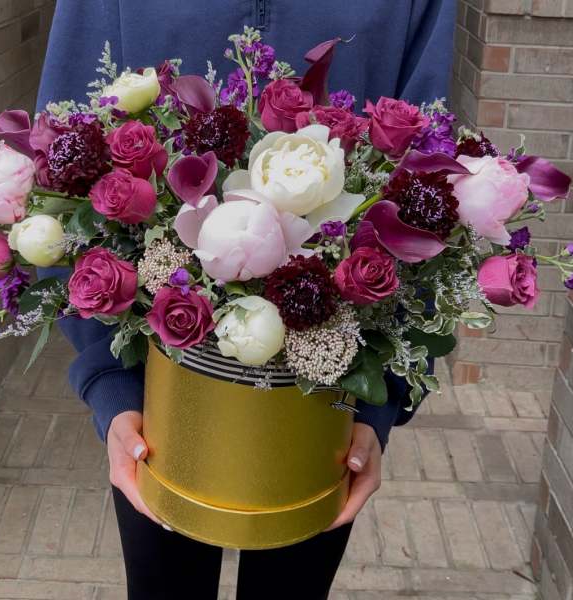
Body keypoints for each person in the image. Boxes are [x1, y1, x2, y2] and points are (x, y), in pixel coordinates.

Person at [36, 2, 456, 598]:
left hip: (327, 390)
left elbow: (428, 169)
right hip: (157, 394)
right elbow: (60, 158)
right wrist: (110, 383)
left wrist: (379, 400)